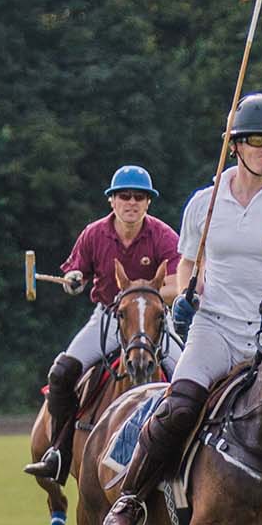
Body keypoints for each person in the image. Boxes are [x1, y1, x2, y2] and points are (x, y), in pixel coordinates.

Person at [100, 94, 262, 525]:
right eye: (258, 141)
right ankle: (132, 497)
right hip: (215, 328)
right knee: (178, 406)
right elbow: (188, 261)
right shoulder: (205, 203)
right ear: (236, 145)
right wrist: (188, 294)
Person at [22, 165, 182, 482]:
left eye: (139, 197)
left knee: (186, 379)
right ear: (112, 200)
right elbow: (77, 273)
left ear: (148, 202)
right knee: (62, 372)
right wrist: (74, 280)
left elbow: (177, 285)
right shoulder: (94, 234)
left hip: (154, 321)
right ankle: (59, 451)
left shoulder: (163, 235)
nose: (131, 202)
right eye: (124, 196)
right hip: (109, 318)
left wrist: (139, 295)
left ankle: (186, 456)